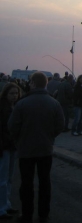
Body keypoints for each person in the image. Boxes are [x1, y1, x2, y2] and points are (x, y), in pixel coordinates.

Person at [8, 72, 64, 223]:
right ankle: (43, 214)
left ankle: (27, 215)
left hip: (26, 149)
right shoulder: (54, 103)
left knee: (26, 184)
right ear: (46, 84)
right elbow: (60, 125)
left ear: (32, 83)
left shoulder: (22, 103)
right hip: (45, 149)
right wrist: (50, 137)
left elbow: (12, 126)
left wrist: (19, 140)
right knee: (45, 182)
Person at [0, 83, 21, 219]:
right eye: (11, 93)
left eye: (16, 93)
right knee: (2, 178)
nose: (14, 96)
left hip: (13, 146)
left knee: (9, 178)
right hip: (4, 147)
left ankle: (6, 204)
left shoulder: (16, 107)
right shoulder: (3, 109)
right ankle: (1, 209)